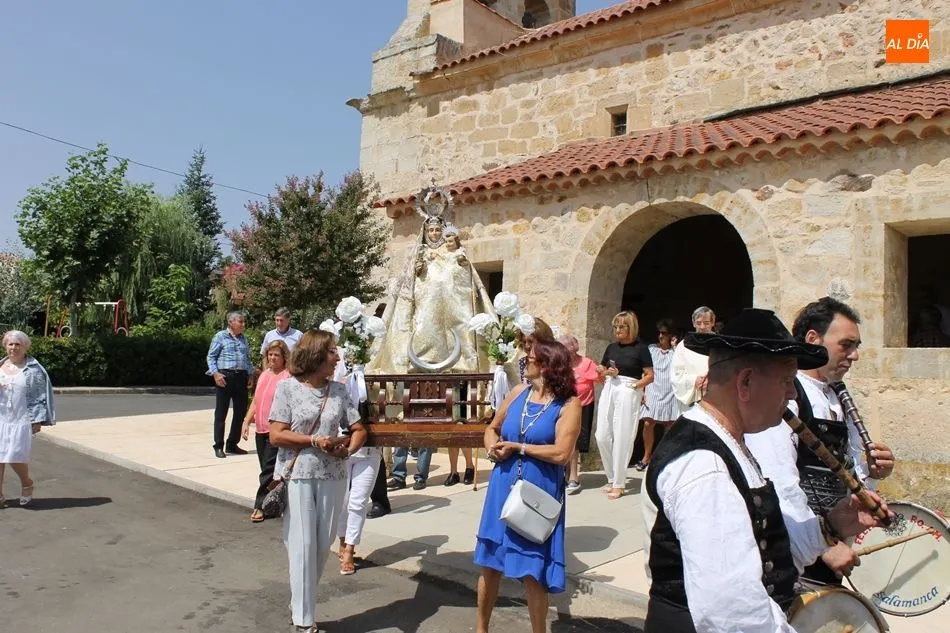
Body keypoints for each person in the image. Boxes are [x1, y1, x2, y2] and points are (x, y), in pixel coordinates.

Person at [640, 308, 893, 632]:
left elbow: (765, 552)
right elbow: (731, 613)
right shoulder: (703, 465)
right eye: (787, 381)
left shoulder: (729, 442)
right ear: (745, 382)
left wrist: (830, 526)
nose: (792, 393)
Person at [745, 297, 896, 586]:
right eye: (846, 345)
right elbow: (778, 481)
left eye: (856, 347)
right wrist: (823, 544)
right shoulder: (789, 394)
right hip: (796, 548)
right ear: (813, 339)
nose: (854, 356)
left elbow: (847, 469)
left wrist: (872, 474)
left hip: (831, 542)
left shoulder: (838, 396)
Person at [474, 339, 581, 633]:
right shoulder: (519, 392)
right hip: (502, 485)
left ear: (547, 365)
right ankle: (481, 628)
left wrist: (519, 448)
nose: (525, 362)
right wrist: (492, 446)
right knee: (491, 562)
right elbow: (492, 427)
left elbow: (562, 453)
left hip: (537, 492)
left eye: (530, 358)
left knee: (533, 571)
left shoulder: (569, 404)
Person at [268, 330, 367, 633]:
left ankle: (300, 602)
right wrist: (314, 440)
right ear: (316, 355)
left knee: (322, 545)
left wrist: (347, 449)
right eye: (333, 352)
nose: (337, 357)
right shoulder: (287, 388)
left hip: (333, 475)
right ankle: (303, 620)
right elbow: (276, 434)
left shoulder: (338, 391)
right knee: (302, 544)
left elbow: (359, 428)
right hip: (298, 474)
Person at [595, 311, 654, 499]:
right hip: (611, 386)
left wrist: (635, 386)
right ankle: (611, 477)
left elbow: (650, 375)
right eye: (615, 327)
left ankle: (619, 483)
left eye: (622, 326)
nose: (618, 330)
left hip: (629, 388)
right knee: (602, 435)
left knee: (623, 435)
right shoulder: (611, 348)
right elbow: (602, 371)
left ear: (631, 327)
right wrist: (603, 371)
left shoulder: (641, 349)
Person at [0, 330, 54, 507]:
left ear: (25, 347)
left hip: (21, 419)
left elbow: (40, 396)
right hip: (1, 418)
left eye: (18, 344)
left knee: (15, 457)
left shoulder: (33, 370)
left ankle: (27, 483)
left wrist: (38, 419)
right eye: (10, 344)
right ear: (5, 346)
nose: (13, 348)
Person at [241, 339, 290, 522]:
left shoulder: (287, 377)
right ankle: (275, 501)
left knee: (267, 470)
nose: (272, 358)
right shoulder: (264, 375)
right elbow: (256, 400)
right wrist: (246, 421)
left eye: (277, 355)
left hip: (275, 430)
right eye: (270, 354)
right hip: (260, 429)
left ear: (284, 357)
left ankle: (260, 506)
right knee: (266, 468)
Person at [206, 311, 254, 458]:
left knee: (240, 412)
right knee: (221, 412)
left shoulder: (243, 339)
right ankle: (218, 445)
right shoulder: (220, 336)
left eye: (243, 322)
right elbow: (211, 356)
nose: (243, 324)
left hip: (241, 377)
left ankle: (232, 443)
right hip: (225, 377)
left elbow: (247, 358)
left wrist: (250, 374)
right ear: (231, 323)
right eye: (240, 322)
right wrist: (215, 373)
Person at [636, 318, 679, 471]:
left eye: (665, 333)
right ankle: (646, 456)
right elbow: (644, 370)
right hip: (653, 388)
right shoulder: (651, 349)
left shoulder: (678, 351)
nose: (661, 336)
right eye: (659, 333)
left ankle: (663, 457)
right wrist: (642, 391)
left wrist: (675, 347)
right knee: (648, 423)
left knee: (669, 425)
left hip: (670, 391)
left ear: (672, 335)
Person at [558, 333, 598, 494]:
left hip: (583, 405)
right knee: (563, 439)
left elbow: (601, 378)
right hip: (562, 405)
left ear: (573, 350)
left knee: (574, 441)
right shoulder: (559, 365)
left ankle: (573, 476)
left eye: (565, 351)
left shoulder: (586, 363)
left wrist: (604, 371)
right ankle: (565, 474)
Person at [670, 306, 715, 408]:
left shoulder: (720, 345)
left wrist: (712, 380)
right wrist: (694, 380)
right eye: (698, 323)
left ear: (713, 323)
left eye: (706, 323)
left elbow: (727, 369)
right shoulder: (684, 345)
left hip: (714, 395)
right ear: (693, 323)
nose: (702, 327)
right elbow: (676, 373)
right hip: (692, 395)